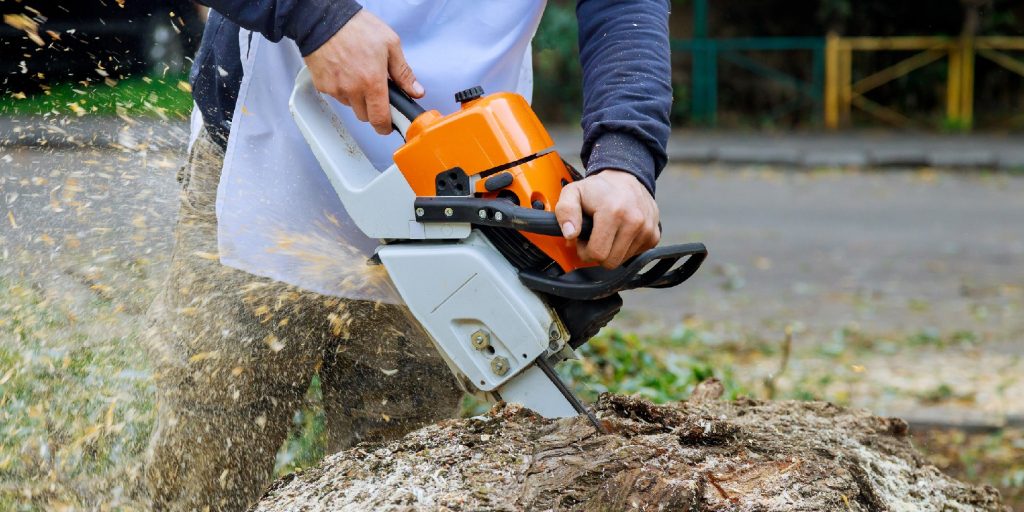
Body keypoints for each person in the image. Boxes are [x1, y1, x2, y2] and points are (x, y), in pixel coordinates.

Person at [143, 0, 673, 510]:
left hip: (467, 196)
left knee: (399, 481)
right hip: (262, 152)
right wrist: (316, 17)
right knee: (203, 468)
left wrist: (624, 157)